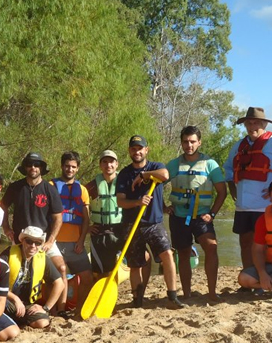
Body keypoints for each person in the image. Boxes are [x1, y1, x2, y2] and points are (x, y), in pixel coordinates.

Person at [116, 135, 186, 309]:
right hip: (131, 224)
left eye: (140, 148)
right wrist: (138, 202)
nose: (137, 151)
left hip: (153, 223)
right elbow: (120, 201)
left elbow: (164, 175)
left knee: (167, 255)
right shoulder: (124, 174)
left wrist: (144, 175)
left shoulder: (156, 167)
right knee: (135, 264)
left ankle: (172, 296)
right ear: (129, 151)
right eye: (133, 148)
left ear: (146, 150)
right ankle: (137, 299)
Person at [224, 108, 272, 270]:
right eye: (249, 123)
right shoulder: (238, 146)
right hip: (242, 206)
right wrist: (231, 186)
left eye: (256, 122)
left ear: (264, 124)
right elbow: (228, 167)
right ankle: (250, 276)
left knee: (268, 243)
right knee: (245, 242)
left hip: (266, 206)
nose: (252, 126)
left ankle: (271, 277)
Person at [0, 152, 70, 317]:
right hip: (20, 240)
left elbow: (58, 217)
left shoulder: (49, 189)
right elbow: (2, 207)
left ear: (41, 168)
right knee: (13, 272)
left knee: (61, 268)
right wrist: (6, 228)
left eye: (37, 165)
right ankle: (12, 305)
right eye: (30, 164)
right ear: (25, 168)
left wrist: (51, 240)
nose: (33, 168)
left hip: (43, 240)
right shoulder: (15, 187)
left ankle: (60, 310)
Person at [165, 126, 227, 301]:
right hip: (179, 216)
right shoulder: (174, 164)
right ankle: (187, 293)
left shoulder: (210, 164)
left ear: (199, 142)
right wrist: (163, 206)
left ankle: (212, 292)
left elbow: (222, 192)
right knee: (183, 253)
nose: (189, 145)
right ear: (181, 142)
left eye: (192, 141)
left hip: (202, 216)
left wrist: (212, 214)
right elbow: (156, 184)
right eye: (185, 142)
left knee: (211, 247)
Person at [50, 151, 93, 314]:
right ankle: (57, 311)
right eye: (67, 166)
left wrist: (82, 241)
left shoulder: (82, 190)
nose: (70, 169)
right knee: (57, 275)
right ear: (62, 166)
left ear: (78, 169)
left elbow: (86, 219)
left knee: (87, 277)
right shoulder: (51, 186)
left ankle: (79, 309)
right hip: (54, 242)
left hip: (75, 243)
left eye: (73, 167)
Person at [0, 226, 64, 329]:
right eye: (29, 241)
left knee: (42, 323)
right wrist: (15, 299)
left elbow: (59, 284)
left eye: (38, 243)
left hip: (28, 305)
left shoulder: (43, 258)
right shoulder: (8, 254)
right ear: (22, 240)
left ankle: (19, 321)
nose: (33, 246)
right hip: (6, 300)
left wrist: (46, 308)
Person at [85, 150, 124, 276]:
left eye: (111, 162)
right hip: (99, 231)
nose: (108, 165)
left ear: (117, 164)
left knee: (141, 257)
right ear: (100, 165)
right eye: (105, 162)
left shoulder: (125, 182)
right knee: (101, 271)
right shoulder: (92, 186)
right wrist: (87, 228)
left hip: (120, 229)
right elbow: (79, 205)